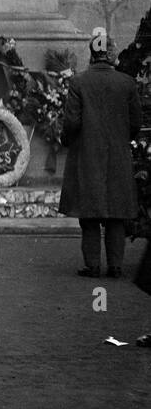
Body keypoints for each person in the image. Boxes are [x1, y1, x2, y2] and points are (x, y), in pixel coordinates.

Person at [62, 37, 142, 278]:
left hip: (87, 155)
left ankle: (93, 265)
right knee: (117, 212)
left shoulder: (79, 82)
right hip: (118, 155)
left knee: (89, 213)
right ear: (111, 54)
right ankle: (116, 266)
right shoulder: (126, 83)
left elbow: (72, 122)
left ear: (92, 54)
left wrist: (67, 140)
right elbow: (136, 123)